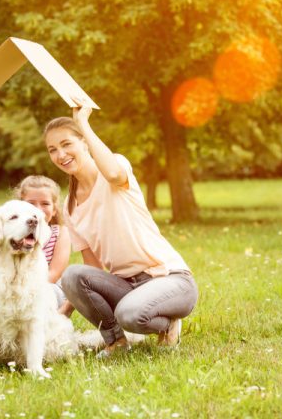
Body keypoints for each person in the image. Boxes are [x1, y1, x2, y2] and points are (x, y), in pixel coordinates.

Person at [43, 100, 198, 358]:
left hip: (170, 279)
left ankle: (168, 324)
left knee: (130, 314)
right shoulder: (69, 206)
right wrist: (65, 312)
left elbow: (114, 174)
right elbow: (91, 267)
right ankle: (116, 342)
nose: (60, 154)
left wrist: (83, 123)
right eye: (52, 149)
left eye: (66, 144)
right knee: (72, 275)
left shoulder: (114, 169)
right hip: (126, 286)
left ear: (84, 142)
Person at [13, 175, 73, 317]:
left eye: (45, 204)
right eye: (31, 203)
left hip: (47, 287)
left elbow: (54, 273)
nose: (38, 209)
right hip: (15, 289)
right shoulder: (12, 234)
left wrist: (27, 291)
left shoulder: (60, 233)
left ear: (54, 209)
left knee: (44, 297)